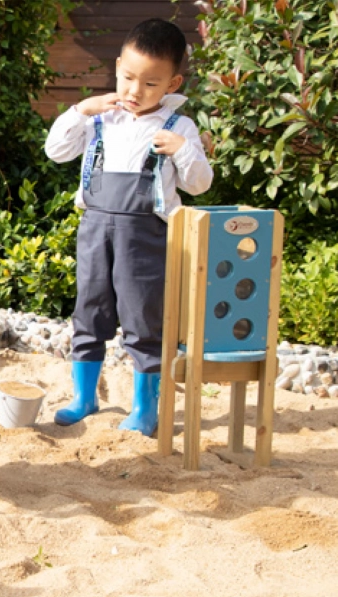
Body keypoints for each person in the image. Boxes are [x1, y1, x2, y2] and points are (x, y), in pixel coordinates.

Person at [45, 18, 213, 435]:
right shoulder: (101, 118)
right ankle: (85, 397)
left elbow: (198, 184)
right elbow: (55, 151)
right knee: (89, 312)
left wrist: (183, 151)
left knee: (143, 320)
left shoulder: (179, 128)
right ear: (118, 66)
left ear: (173, 83)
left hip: (147, 239)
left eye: (151, 84)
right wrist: (80, 109)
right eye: (128, 78)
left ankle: (145, 408)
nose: (135, 91)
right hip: (94, 231)